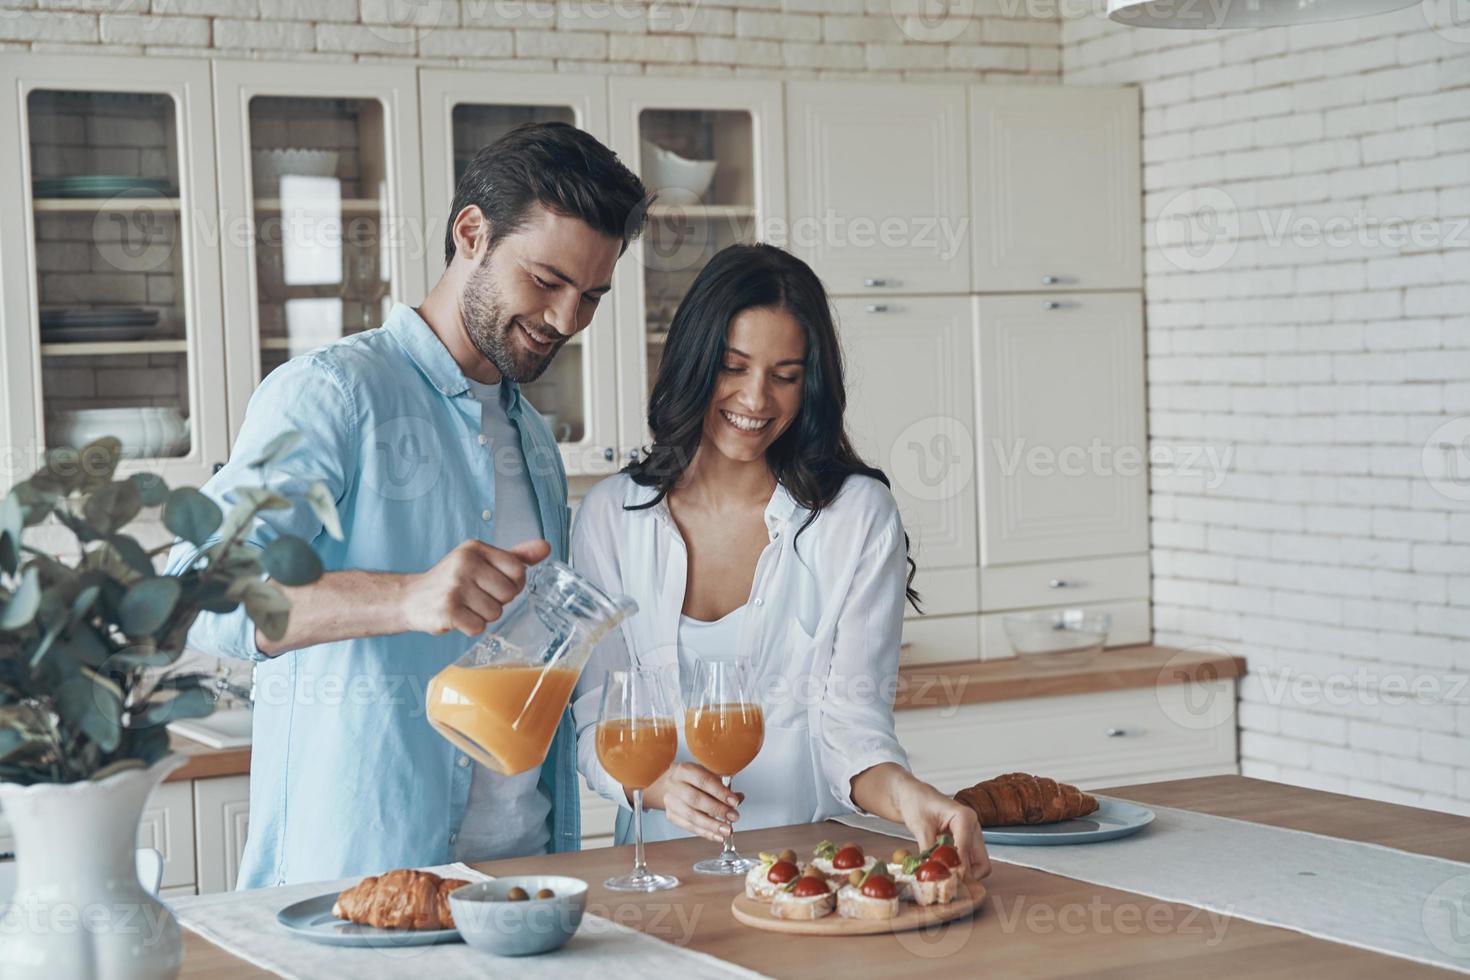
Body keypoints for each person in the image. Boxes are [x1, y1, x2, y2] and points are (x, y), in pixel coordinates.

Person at [166, 122, 647, 888]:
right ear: (470, 233)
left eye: (590, 296)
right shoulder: (334, 394)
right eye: (547, 281)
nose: (565, 320)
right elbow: (195, 594)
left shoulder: (536, 446)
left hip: (519, 881)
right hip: (360, 887)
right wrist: (408, 597)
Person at [570, 244, 992, 879]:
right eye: (732, 367)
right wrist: (657, 785)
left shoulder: (855, 516)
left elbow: (853, 727)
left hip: (807, 869)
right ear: (693, 363)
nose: (756, 398)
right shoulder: (611, 516)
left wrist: (910, 795)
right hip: (655, 871)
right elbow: (595, 716)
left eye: (785, 375)